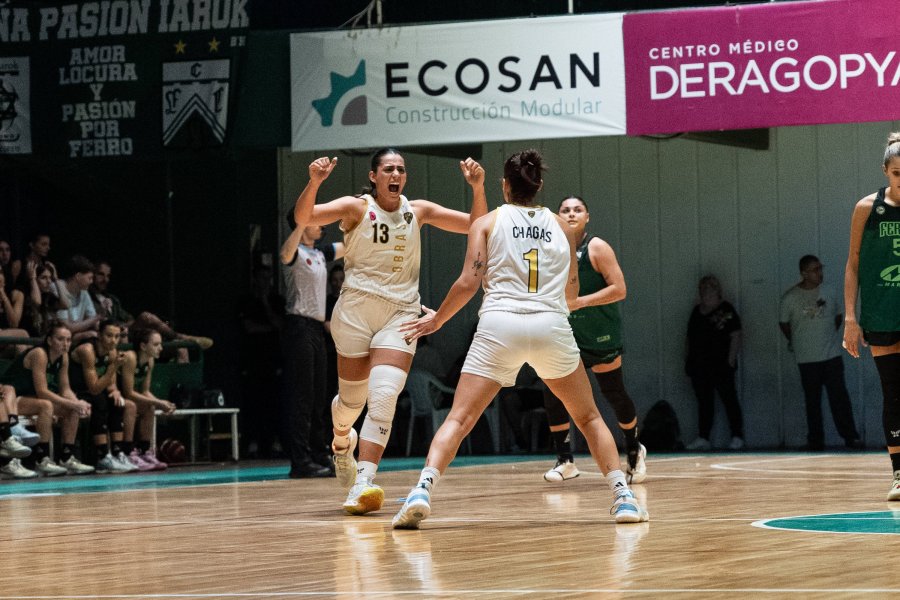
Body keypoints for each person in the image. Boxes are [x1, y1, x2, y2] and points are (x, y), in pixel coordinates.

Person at [392, 149, 648, 529]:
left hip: (499, 325)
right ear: (539, 185)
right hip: (550, 324)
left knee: (460, 419)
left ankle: (422, 490)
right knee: (589, 416)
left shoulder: (489, 221)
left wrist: (438, 321)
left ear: (505, 186)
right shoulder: (565, 227)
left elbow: (468, 282)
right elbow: (571, 292)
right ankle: (623, 497)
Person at [293, 149, 487, 514]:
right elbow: (303, 216)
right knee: (351, 404)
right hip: (354, 312)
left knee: (383, 397)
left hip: (400, 313)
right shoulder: (356, 207)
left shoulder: (420, 211)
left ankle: (363, 482)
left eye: (401, 169)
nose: (395, 174)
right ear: (374, 176)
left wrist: (477, 188)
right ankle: (340, 443)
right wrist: (315, 181)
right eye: (388, 169)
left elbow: (478, 226)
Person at [541, 195, 647, 484]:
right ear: (557, 217)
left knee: (613, 393)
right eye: (565, 210)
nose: (571, 214)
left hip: (600, 332)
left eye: (578, 210)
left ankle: (634, 448)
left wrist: (581, 302)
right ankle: (565, 460)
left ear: (587, 216)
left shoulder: (596, 248)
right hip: (566, 334)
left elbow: (620, 288)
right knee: (554, 391)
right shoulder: (551, 249)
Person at [843, 131, 900, 501]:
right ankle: (899, 475)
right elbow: (853, 264)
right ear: (885, 171)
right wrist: (850, 317)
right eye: (897, 172)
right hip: (881, 313)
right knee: (893, 394)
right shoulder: (868, 208)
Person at [279, 217, 342, 478]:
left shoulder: (319, 253)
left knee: (319, 395)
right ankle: (300, 460)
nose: (322, 226)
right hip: (299, 327)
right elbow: (284, 254)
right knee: (303, 396)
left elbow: (349, 245)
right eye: (316, 221)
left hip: (316, 330)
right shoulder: (294, 251)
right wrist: (301, 222)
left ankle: (319, 454)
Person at [780, 255, 862, 450]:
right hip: (806, 357)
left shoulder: (830, 292)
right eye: (815, 270)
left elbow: (838, 317)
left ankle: (850, 437)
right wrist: (798, 339)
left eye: (820, 268)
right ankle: (815, 440)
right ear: (804, 274)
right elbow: (784, 324)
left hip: (831, 355)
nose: (820, 273)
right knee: (812, 400)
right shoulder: (790, 298)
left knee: (839, 397)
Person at [0, 320, 95, 475]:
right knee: (46, 405)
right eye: (60, 339)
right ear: (50, 340)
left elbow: (65, 389)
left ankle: (67, 457)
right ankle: (42, 459)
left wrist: (79, 404)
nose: (65, 344)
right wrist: (73, 404)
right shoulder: (40, 354)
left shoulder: (63, 358)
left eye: (69, 340)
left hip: (30, 399)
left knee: (71, 410)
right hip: (11, 398)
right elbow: (42, 392)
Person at [684, 275, 744, 451]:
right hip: (699, 365)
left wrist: (730, 362)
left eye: (710, 290)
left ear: (717, 292)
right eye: (703, 290)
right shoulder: (696, 312)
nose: (707, 293)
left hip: (721, 364)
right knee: (704, 402)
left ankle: (737, 435)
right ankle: (704, 437)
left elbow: (736, 335)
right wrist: (687, 359)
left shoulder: (726, 310)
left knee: (729, 399)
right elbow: (689, 338)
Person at [69, 319, 138, 473]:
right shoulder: (87, 350)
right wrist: (114, 367)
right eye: (109, 336)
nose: (113, 340)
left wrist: (115, 391)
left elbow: (111, 383)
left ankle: (118, 452)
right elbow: (93, 388)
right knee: (99, 401)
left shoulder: (112, 352)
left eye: (117, 336)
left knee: (117, 402)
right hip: (76, 392)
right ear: (99, 335)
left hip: (94, 390)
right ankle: (103, 457)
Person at [238, 262, 285, 460]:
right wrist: (268, 327)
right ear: (255, 280)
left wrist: (266, 306)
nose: (264, 283)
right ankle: (252, 443)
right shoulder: (246, 301)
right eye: (261, 278)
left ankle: (274, 441)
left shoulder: (277, 300)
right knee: (252, 405)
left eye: (268, 279)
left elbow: (280, 325)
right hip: (252, 361)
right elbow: (248, 327)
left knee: (274, 404)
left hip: (272, 361)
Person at [120, 327, 176, 470]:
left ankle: (145, 451)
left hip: (128, 399)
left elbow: (145, 391)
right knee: (132, 405)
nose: (161, 348)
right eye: (156, 345)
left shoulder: (150, 361)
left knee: (149, 407)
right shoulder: (130, 358)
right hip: (116, 398)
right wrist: (158, 402)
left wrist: (163, 403)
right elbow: (128, 392)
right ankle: (128, 452)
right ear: (143, 346)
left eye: (160, 344)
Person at [55, 254, 102, 343]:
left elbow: (95, 323)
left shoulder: (84, 292)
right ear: (78, 276)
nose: (92, 282)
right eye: (90, 278)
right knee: (91, 335)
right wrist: (96, 318)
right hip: (59, 338)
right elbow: (67, 327)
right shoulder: (59, 288)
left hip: (75, 335)